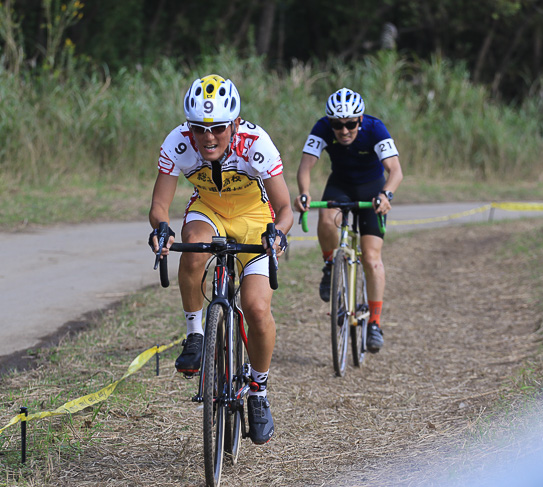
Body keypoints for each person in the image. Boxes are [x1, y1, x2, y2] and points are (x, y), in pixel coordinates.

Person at [148, 74, 293, 445]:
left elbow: (285, 208)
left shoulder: (256, 143)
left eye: (217, 129)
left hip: (255, 219)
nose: (208, 138)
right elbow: (159, 206)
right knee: (193, 246)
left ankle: (258, 391)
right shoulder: (178, 143)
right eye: (199, 128)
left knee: (257, 309)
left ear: (235, 124)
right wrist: (161, 229)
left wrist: (276, 234)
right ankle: (195, 334)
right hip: (209, 211)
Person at [294, 87, 402, 354]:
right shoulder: (321, 127)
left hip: (372, 189)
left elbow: (395, 170)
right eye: (337, 125)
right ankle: (331, 265)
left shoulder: (375, 129)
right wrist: (305, 193)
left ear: (360, 120)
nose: (344, 131)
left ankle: (375, 323)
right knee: (327, 218)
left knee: (371, 258)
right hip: (340, 185)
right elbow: (306, 165)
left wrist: (386, 195)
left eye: (350, 124)